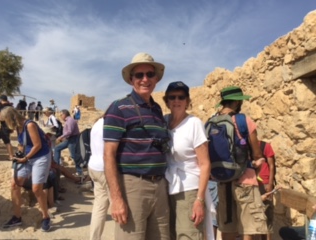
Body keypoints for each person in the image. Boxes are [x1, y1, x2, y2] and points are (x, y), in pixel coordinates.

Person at [103, 52, 170, 240]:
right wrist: (116, 199)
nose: (145, 79)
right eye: (139, 75)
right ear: (131, 79)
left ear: (156, 78)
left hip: (160, 186)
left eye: (149, 74)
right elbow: (108, 155)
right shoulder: (119, 108)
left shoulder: (156, 109)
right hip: (133, 187)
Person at [214, 86, 268, 240]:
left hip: (223, 179)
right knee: (247, 228)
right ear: (237, 103)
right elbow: (257, 153)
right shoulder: (243, 120)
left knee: (227, 226)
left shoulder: (212, 121)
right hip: (245, 179)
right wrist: (259, 161)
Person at [162, 81, 214, 240]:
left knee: (188, 235)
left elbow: (205, 164)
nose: (176, 100)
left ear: (187, 101)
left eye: (181, 97)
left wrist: (199, 200)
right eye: (172, 97)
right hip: (167, 187)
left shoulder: (194, 124)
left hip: (189, 188)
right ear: (167, 101)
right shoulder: (164, 122)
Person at [1, 107, 51, 232]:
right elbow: (21, 143)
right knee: (14, 184)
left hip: (40, 156)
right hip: (27, 157)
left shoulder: (29, 125)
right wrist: (18, 155)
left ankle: (46, 217)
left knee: (36, 188)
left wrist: (25, 158)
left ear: (11, 118)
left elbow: (38, 145)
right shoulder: (19, 127)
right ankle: (17, 217)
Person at [88, 115, 109, 240]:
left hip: (94, 167)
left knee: (100, 207)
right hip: (105, 169)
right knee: (119, 207)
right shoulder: (111, 124)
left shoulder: (98, 123)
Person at [54, 109, 82, 176]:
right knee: (57, 149)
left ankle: (80, 172)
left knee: (74, 155)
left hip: (73, 139)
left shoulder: (70, 121)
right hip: (69, 139)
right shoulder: (68, 120)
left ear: (64, 114)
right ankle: (56, 167)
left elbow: (69, 131)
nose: (61, 116)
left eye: (61, 115)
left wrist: (61, 137)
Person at [258, 140, 276, 240]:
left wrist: (270, 184)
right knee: (259, 217)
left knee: (267, 215)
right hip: (254, 184)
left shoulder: (265, 146)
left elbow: (271, 165)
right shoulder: (247, 146)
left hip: (265, 184)